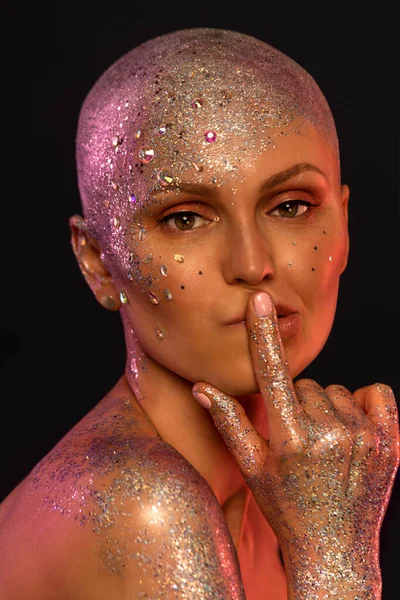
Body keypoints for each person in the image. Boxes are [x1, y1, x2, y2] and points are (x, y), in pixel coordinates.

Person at [0, 27, 398, 600]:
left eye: (290, 207)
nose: (252, 262)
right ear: (98, 261)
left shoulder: (284, 480)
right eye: (185, 218)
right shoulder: (145, 507)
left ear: (343, 223)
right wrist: (337, 562)